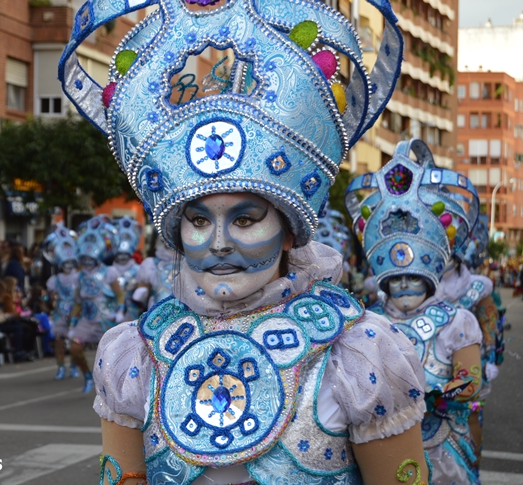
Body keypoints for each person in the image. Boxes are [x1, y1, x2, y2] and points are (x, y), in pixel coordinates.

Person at [59, 1, 430, 482]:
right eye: (196, 220)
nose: (217, 243)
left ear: (291, 229)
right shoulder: (134, 354)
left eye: (246, 218)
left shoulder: (357, 353)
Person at [348, 139, 482, 485]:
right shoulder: (366, 320)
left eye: (413, 278)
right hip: (376, 447)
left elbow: (471, 379)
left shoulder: (457, 321)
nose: (405, 285)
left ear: (431, 278)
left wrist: (438, 393)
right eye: (397, 280)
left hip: (439, 447)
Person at [436, 216, 500, 471]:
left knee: (470, 413)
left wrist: (492, 359)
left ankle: (471, 469)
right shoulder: (418, 284)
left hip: (469, 363)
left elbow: (490, 326)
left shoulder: (477, 288)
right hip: (429, 362)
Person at [70, 217, 124, 393]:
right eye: (84, 258)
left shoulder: (109, 272)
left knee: (110, 356)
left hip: (106, 321)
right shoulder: (79, 277)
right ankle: (86, 375)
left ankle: (112, 386)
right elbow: (78, 302)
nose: (87, 261)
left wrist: (119, 312)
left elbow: (120, 295)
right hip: (87, 321)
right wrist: (72, 324)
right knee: (75, 347)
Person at [44, 224, 80, 379]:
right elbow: (49, 297)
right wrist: (49, 299)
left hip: (75, 312)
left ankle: (73, 366)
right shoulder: (55, 280)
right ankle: (60, 367)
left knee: (74, 342)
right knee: (58, 340)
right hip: (59, 312)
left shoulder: (79, 277)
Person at [112, 216, 142, 323]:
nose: (122, 257)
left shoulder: (139, 270)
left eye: (125, 254)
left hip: (132, 316)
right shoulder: (109, 270)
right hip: (110, 314)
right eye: (120, 254)